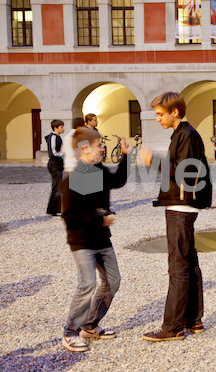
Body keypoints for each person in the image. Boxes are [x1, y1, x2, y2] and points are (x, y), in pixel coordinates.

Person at [141, 92, 212, 342]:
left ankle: (173, 326)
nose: (157, 118)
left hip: (181, 206)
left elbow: (187, 172)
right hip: (182, 205)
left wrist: (155, 161)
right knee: (188, 262)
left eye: (160, 114)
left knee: (178, 266)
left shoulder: (186, 134)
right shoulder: (183, 134)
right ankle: (193, 319)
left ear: (175, 112)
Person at [60, 127, 130, 353]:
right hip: (82, 241)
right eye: (99, 145)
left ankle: (90, 326)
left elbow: (117, 181)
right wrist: (99, 220)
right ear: (84, 148)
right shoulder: (74, 177)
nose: (102, 149)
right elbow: (70, 215)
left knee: (113, 281)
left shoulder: (97, 170)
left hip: (101, 239)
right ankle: (70, 332)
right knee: (87, 284)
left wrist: (126, 156)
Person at [46, 119, 65, 216]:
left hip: (58, 165)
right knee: (57, 187)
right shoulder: (53, 137)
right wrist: (64, 154)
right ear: (55, 127)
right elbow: (53, 152)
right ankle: (55, 210)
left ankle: (53, 209)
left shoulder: (58, 137)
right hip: (54, 165)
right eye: (61, 127)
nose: (63, 128)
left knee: (56, 187)